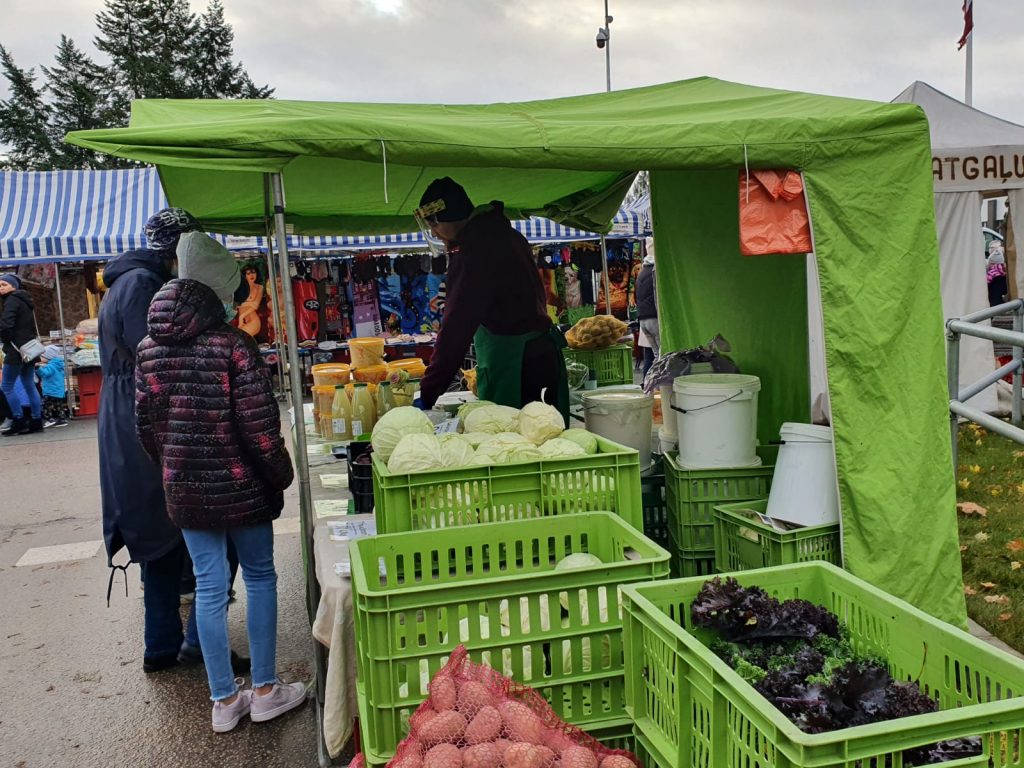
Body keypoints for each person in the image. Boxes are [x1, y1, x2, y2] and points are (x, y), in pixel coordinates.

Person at [136, 232, 303, 733]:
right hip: (243, 487)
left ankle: (224, 701)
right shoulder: (233, 345)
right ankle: (267, 690)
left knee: (209, 588)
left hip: (185, 490)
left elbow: (145, 427)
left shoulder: (148, 348)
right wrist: (280, 474)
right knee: (260, 576)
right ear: (218, 288)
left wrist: (174, 468)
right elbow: (260, 428)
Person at [98, 207, 205, 673]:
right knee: (169, 519)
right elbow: (159, 355)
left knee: (159, 521)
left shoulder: (126, 281)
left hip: (126, 408)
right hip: (142, 411)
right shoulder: (143, 284)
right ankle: (176, 643)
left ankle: (163, 642)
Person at [414, 177, 569, 419]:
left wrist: (429, 391)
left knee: (517, 436)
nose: (434, 232)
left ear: (448, 216)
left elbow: (456, 329)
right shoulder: (510, 236)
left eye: (434, 224)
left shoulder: (473, 252)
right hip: (543, 357)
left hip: (517, 370)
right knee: (549, 432)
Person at [0, 273, 44, 435]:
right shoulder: (25, 300)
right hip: (29, 349)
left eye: (4, 284)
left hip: (16, 350)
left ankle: (18, 420)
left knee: (6, 386)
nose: (1, 288)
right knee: (29, 384)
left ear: (14, 286)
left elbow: (6, 325)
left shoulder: (11, 300)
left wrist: (5, 340)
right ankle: (36, 420)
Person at [635, 237, 660, 373]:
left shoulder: (642, 272)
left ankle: (650, 383)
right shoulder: (656, 271)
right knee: (661, 356)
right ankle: (659, 384)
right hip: (654, 317)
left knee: (655, 357)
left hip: (643, 319)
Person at [36, 345, 70, 427]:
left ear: (48, 357)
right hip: (58, 389)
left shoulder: (50, 366)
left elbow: (45, 374)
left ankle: (49, 419)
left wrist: (37, 368)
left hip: (50, 390)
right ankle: (62, 419)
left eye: (42, 356)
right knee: (58, 405)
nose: (41, 358)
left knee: (45, 405)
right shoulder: (58, 365)